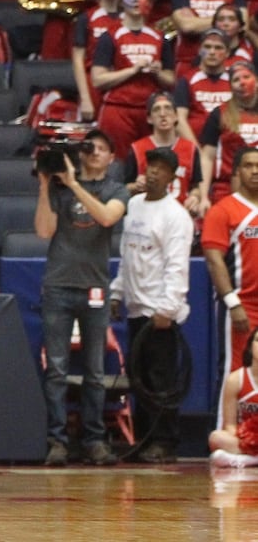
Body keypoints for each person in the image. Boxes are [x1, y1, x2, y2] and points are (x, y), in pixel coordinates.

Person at [36, 127, 128, 467]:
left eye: (101, 148)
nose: (94, 152)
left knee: (93, 371)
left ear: (111, 157)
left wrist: (75, 184)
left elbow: (106, 217)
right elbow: (44, 231)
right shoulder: (60, 188)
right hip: (58, 286)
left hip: (95, 288)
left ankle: (93, 440)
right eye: (89, 147)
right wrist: (46, 184)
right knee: (57, 370)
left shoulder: (116, 189)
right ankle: (57, 440)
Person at [109, 146, 192, 462]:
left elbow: (176, 266)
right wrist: (117, 292)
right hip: (135, 308)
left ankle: (165, 442)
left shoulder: (176, 216)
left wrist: (167, 308)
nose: (154, 172)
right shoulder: (134, 205)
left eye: (161, 168)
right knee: (139, 378)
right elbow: (126, 255)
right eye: (151, 166)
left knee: (161, 380)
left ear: (172, 176)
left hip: (159, 313)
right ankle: (143, 439)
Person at [90, 0, 175, 160]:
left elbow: (171, 79)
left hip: (150, 112)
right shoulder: (110, 36)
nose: (135, 0)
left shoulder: (160, 38)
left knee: (152, 164)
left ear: (149, 2)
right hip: (118, 109)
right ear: (122, 1)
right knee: (116, 163)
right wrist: (132, 70)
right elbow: (98, 79)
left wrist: (158, 72)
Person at [203, 146, 258, 421]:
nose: (255, 171)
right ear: (237, 171)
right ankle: (226, 434)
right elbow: (214, 259)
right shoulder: (223, 210)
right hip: (242, 305)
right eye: (248, 165)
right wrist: (232, 302)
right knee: (234, 370)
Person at [200, 61, 258, 210]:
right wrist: (203, 195)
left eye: (246, 77)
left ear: (256, 81)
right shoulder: (219, 113)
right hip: (226, 188)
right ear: (231, 87)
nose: (242, 83)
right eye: (236, 80)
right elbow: (207, 157)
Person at [209, 325, 258, 467]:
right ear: (249, 347)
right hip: (245, 440)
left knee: (219, 456)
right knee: (216, 438)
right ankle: (252, 459)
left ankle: (247, 460)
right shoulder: (236, 380)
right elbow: (230, 424)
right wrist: (246, 438)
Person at [175, 27, 232, 146]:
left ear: (227, 53)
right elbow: (180, 120)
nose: (212, 52)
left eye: (218, 47)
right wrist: (197, 153)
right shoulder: (187, 80)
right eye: (207, 47)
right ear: (200, 50)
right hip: (195, 145)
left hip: (227, 148)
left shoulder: (235, 81)